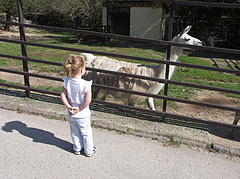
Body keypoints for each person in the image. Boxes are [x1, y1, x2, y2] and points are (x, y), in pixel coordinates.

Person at [60, 55, 96, 157]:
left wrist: (69, 106)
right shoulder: (86, 84)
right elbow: (88, 100)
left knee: (74, 131)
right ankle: (89, 151)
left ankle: (77, 148)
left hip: (71, 113)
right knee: (86, 132)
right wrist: (79, 108)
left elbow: (62, 95)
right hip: (82, 113)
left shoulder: (67, 81)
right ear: (81, 70)